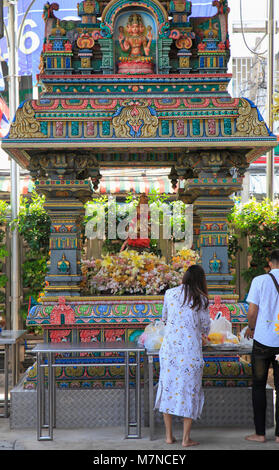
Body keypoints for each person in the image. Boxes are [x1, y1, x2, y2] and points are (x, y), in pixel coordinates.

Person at [154, 264, 211, 447]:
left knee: (168, 389)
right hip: (190, 353)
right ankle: (186, 439)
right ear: (201, 280)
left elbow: (164, 318)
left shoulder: (169, 294)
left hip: (169, 351)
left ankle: (169, 436)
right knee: (190, 392)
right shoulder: (201, 299)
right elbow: (205, 327)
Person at [244, 249, 279, 443]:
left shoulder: (260, 281)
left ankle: (260, 433)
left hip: (263, 342)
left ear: (270, 263)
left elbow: (252, 311)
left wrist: (251, 327)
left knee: (258, 385)